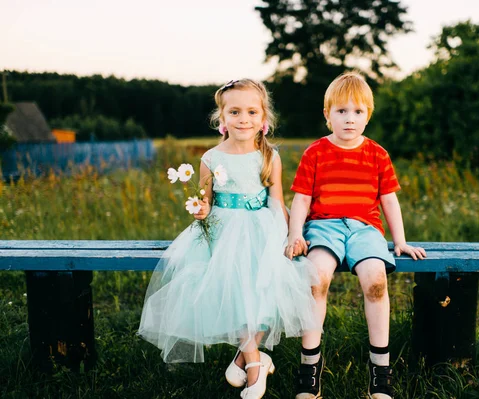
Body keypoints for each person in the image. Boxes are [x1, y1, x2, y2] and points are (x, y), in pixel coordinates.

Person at [138, 79, 317, 399]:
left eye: (251, 111)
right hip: (222, 230)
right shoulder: (210, 158)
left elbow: (276, 199)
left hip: (262, 228)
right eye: (234, 111)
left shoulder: (269, 156)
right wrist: (200, 209)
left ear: (263, 117)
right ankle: (255, 365)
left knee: (262, 292)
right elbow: (205, 199)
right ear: (221, 118)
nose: (243, 118)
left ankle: (246, 359)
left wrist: (292, 234)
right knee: (232, 292)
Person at [285, 72, 427, 399]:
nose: (350, 119)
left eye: (358, 112)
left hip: (365, 228)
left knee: (375, 280)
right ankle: (310, 370)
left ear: (368, 116)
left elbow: (389, 199)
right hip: (324, 226)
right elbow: (302, 199)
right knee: (316, 277)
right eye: (341, 111)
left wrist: (400, 241)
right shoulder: (315, 153)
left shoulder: (377, 154)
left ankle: (380, 372)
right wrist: (295, 235)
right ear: (327, 115)